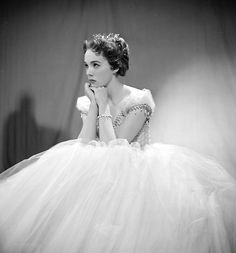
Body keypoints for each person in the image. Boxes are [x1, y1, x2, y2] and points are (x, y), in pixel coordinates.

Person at [0, 33, 236, 253]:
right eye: (86, 65)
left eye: (96, 65)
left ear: (114, 66)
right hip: (99, 173)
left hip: (135, 176)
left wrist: (102, 105)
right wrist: (93, 105)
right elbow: (84, 142)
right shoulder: (88, 99)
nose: (89, 72)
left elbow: (116, 148)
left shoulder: (139, 100)